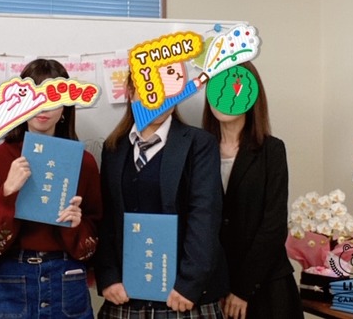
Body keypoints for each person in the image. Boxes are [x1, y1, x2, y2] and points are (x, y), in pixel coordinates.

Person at [94, 74, 228, 318]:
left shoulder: (199, 143)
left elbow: (205, 217)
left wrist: (189, 284)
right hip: (126, 296)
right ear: (131, 91)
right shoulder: (114, 147)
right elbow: (107, 218)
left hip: (182, 299)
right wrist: (108, 276)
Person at [0, 59, 102, 319]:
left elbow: (91, 246)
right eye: (34, 97)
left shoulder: (84, 162)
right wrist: (7, 194)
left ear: (66, 107)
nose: (43, 108)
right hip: (14, 276)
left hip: (67, 277)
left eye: (53, 98)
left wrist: (76, 224)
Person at [202, 61, 303, 319]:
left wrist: (242, 289)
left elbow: (274, 225)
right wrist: (218, 284)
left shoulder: (272, 150)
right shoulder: (198, 151)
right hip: (215, 289)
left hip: (266, 286)